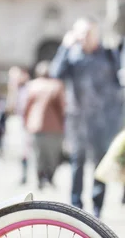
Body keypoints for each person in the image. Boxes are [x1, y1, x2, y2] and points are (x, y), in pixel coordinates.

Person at [50, 17, 124, 218]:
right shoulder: (71, 56)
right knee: (77, 163)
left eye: (88, 33)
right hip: (77, 120)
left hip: (104, 121)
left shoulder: (109, 55)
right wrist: (64, 48)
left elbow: (121, 82)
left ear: (96, 34)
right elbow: (55, 73)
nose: (84, 37)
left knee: (101, 165)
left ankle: (97, 209)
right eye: (80, 33)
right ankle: (76, 208)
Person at [22, 60, 66, 189]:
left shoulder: (31, 86)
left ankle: (40, 179)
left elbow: (26, 107)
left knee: (38, 155)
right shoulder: (57, 85)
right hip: (54, 127)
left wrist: (26, 122)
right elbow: (62, 107)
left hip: (35, 126)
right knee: (53, 156)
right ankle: (50, 178)